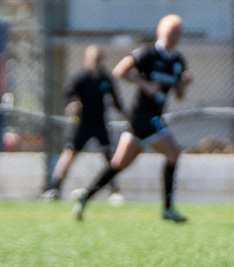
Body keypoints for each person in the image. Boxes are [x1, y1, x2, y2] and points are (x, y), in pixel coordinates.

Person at [71, 14, 192, 222]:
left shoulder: (178, 61)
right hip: (143, 116)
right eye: (170, 32)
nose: (173, 37)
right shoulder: (148, 54)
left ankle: (86, 195)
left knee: (118, 164)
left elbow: (179, 95)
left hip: (151, 118)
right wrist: (145, 85)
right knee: (174, 152)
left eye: (177, 33)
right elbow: (120, 71)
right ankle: (168, 208)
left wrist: (183, 85)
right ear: (159, 31)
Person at [41, 44, 124, 201]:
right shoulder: (80, 78)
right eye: (92, 59)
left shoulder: (105, 79)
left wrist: (126, 114)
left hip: (99, 123)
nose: (95, 63)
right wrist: (72, 104)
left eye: (98, 60)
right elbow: (68, 96)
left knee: (110, 157)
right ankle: (54, 188)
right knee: (69, 153)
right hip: (82, 124)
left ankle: (115, 191)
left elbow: (116, 101)